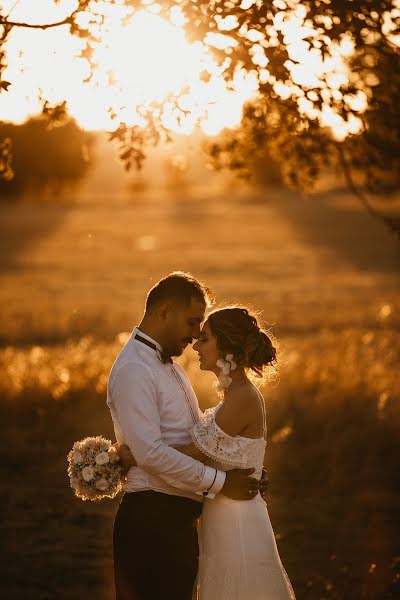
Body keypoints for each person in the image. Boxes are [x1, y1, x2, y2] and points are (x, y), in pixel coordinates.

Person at [107, 272, 269, 600]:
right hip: (151, 523)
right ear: (164, 311)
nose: (195, 336)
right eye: (193, 322)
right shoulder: (135, 370)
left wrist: (244, 465)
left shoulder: (172, 367)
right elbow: (152, 455)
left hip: (179, 523)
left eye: (202, 329)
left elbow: (200, 442)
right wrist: (223, 482)